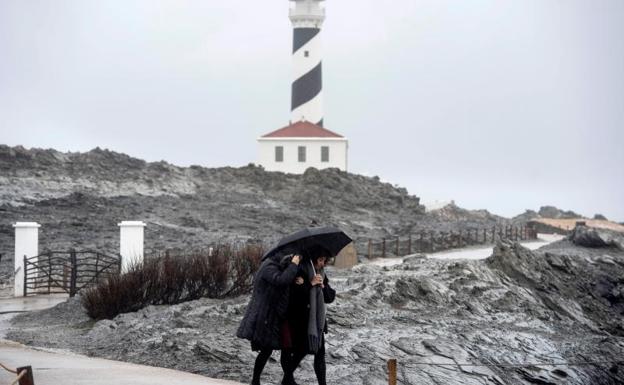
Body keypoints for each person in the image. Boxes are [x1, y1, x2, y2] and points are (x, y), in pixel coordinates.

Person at [237, 252, 302, 385]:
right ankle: (255, 381)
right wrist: (293, 266)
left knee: (286, 348)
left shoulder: (277, 266)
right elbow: (281, 281)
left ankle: (289, 380)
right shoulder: (268, 267)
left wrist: (298, 280)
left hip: (277, 314)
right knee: (267, 350)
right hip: (266, 315)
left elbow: (285, 282)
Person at [280, 245, 336, 385]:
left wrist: (323, 287)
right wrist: (310, 284)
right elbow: (294, 296)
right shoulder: (301, 270)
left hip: (317, 322)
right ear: (314, 258)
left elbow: (330, 298)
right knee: (301, 351)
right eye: (321, 260)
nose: (323, 263)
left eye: (325, 261)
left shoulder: (321, 273)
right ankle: (287, 379)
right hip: (300, 321)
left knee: (319, 355)